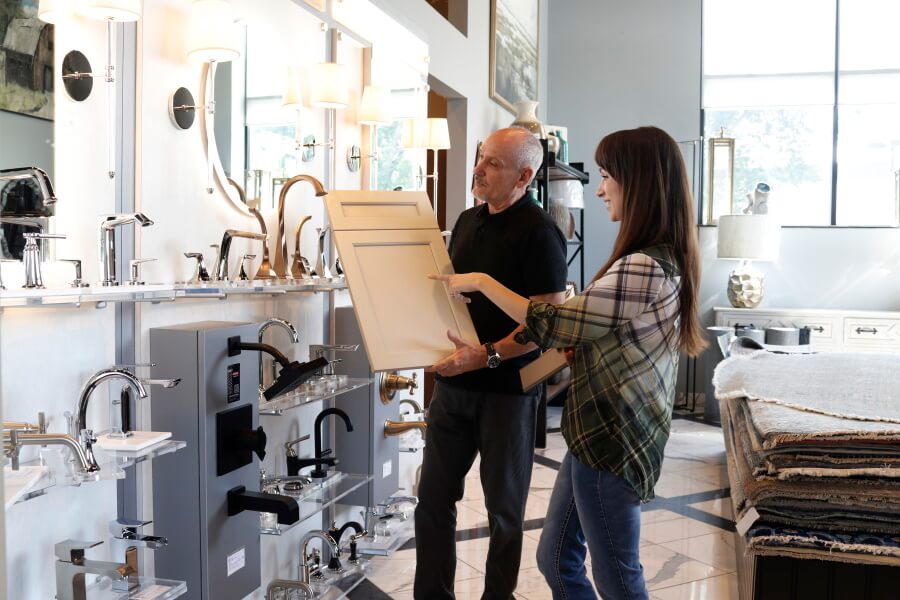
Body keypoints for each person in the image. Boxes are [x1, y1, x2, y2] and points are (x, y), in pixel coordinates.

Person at [430, 126, 706, 600]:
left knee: (616, 577)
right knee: (556, 560)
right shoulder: (647, 260)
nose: (599, 189)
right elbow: (596, 333)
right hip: (591, 433)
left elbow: (555, 322)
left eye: (606, 177)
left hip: (611, 437)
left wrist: (483, 285)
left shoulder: (641, 265)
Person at [414, 127, 568, 599]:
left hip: (507, 397)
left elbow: (547, 321)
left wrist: (487, 355)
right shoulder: (464, 221)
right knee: (433, 502)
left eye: (492, 164)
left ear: (524, 175)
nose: (478, 169)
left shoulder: (541, 233)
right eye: (481, 158)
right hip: (454, 391)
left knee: (504, 514)